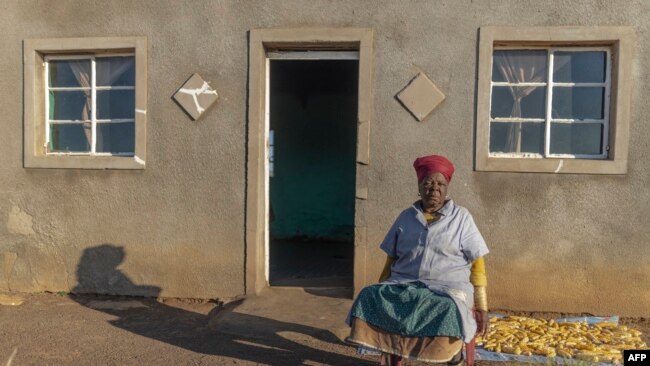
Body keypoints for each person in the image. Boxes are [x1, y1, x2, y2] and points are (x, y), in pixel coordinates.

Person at [346, 155, 489, 366]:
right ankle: (392, 349)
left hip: (448, 288)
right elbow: (390, 260)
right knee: (368, 295)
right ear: (419, 187)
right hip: (404, 284)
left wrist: (482, 306)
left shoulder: (462, 217)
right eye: (428, 183)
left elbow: (478, 264)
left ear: (447, 188)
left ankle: (453, 357)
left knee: (447, 309)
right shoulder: (406, 216)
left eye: (440, 183)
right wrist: (382, 286)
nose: (434, 189)